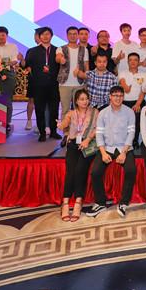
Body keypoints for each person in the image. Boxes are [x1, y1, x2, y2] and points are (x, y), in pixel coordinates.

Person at [87, 85, 136, 218]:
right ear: (110, 96)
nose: (118, 98)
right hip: (107, 148)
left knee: (131, 170)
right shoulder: (103, 113)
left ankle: (124, 202)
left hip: (124, 148)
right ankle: (100, 202)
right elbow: (99, 134)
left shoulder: (129, 112)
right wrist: (103, 152)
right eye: (115, 95)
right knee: (95, 172)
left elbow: (131, 133)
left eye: (120, 96)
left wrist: (124, 152)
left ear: (123, 97)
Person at [57, 88, 97, 222]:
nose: (85, 102)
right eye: (81, 99)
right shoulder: (71, 113)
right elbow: (64, 125)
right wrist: (60, 125)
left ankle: (78, 202)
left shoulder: (94, 112)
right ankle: (65, 202)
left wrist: (87, 140)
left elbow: (97, 128)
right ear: (76, 101)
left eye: (86, 99)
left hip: (87, 145)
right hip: (73, 144)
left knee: (80, 170)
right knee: (71, 172)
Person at [23, 26, 61, 141]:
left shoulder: (57, 50)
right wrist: (22, 61)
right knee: (39, 109)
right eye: (43, 34)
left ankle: (53, 131)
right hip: (38, 85)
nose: (45, 36)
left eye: (47, 34)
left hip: (53, 85)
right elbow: (26, 65)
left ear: (51, 36)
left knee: (54, 109)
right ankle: (42, 133)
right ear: (39, 37)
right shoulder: (32, 51)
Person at [0, 26, 22, 133]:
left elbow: (14, 60)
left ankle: (7, 123)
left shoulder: (12, 46)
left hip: (8, 74)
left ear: (7, 36)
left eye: (3, 35)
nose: (0, 37)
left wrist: (0, 63)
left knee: (7, 99)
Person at [57, 26, 88, 117]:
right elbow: (58, 57)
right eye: (70, 34)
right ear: (67, 36)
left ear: (78, 35)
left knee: (79, 110)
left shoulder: (84, 49)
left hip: (79, 84)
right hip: (64, 84)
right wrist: (61, 59)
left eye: (75, 34)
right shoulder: (61, 48)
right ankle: (65, 126)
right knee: (65, 110)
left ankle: (78, 127)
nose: (72, 36)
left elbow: (87, 67)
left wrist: (84, 75)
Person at [119, 53, 146, 146]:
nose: (133, 62)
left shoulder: (143, 75)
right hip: (124, 102)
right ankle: (124, 141)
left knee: (137, 122)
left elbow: (143, 91)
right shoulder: (123, 73)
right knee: (124, 123)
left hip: (138, 102)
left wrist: (138, 104)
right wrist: (126, 87)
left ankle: (135, 141)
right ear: (127, 62)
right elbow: (122, 82)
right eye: (130, 60)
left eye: (135, 60)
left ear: (139, 62)